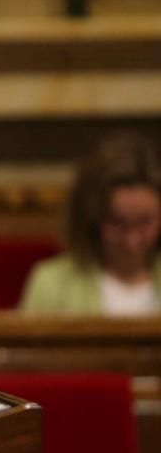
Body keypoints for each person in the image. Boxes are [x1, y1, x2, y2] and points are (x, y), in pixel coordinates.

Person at [21, 132, 161, 315]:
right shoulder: (52, 284)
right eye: (118, 223)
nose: (131, 241)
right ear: (92, 217)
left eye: (145, 222)